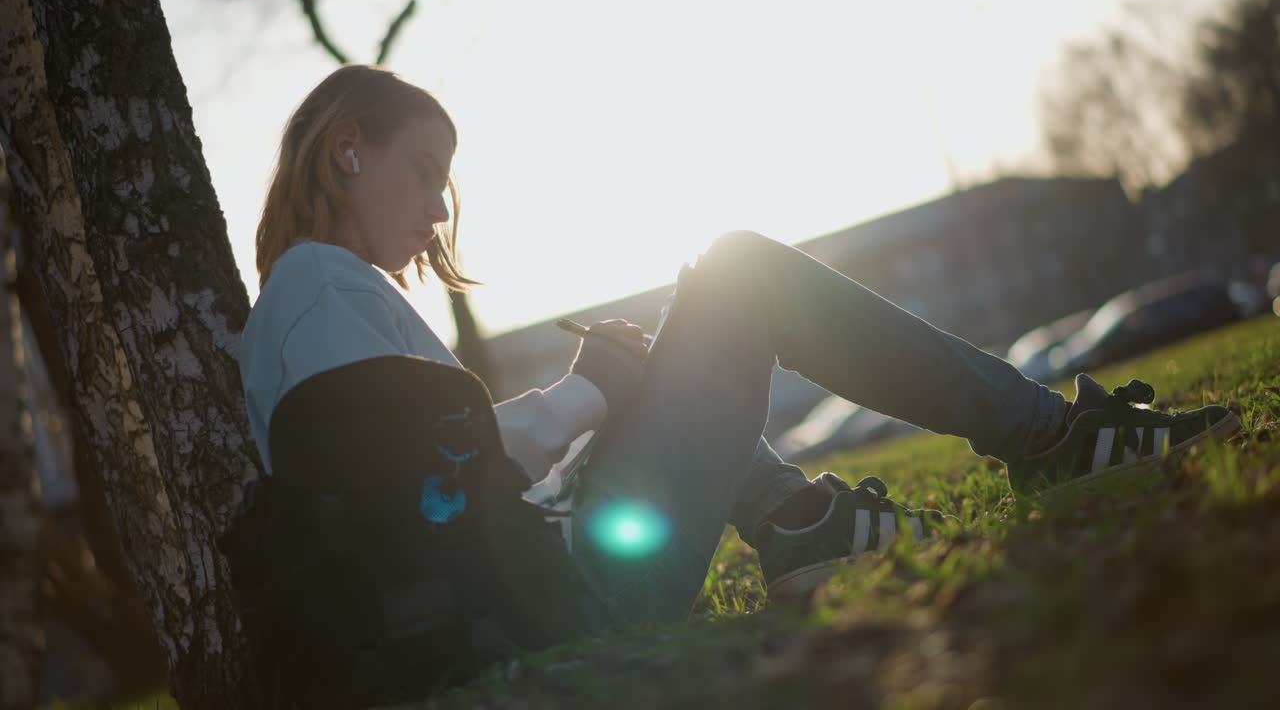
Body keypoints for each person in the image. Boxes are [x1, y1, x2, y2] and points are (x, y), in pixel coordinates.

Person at [231, 64, 1241, 702]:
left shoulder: (320, 301)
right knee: (743, 270)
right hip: (556, 600)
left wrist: (616, 389)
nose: (440, 207)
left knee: (688, 323)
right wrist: (589, 391)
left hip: (541, 584)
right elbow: (425, 475)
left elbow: (423, 473)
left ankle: (799, 522)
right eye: (423, 168)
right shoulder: (316, 287)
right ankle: (1048, 439)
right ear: (348, 149)